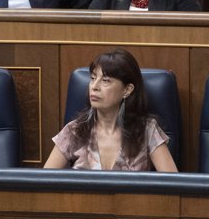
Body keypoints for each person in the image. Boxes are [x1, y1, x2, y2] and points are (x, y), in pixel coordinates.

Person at [44, 48, 178, 171]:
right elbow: (44, 182)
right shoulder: (74, 131)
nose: (94, 86)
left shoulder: (147, 130)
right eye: (92, 78)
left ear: (127, 90)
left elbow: (173, 185)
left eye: (105, 80)